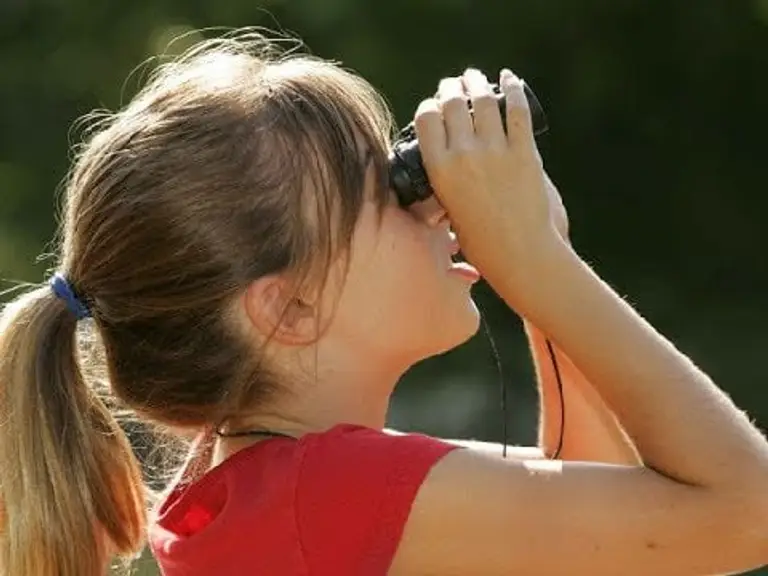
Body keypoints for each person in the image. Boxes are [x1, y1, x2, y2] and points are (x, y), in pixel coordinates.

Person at [1, 30, 767, 576]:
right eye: (391, 192)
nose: (436, 207)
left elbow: (615, 548)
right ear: (288, 310)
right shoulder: (324, 493)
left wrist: (545, 268)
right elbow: (746, 512)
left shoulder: (266, 494)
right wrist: (535, 266)